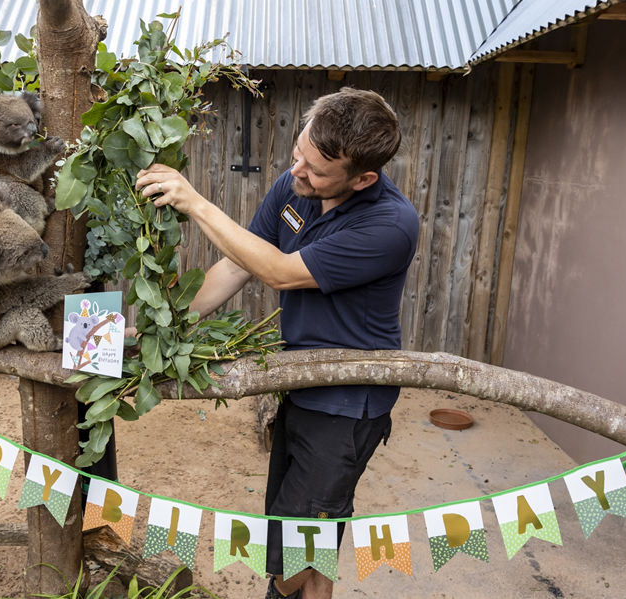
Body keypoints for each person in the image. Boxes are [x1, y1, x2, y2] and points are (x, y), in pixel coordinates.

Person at [135, 87, 419, 599]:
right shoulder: (296, 187)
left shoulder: (389, 225)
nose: (297, 173)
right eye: (298, 156)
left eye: (316, 170)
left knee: (298, 543)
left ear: (364, 178)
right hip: (299, 383)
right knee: (311, 529)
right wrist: (164, 327)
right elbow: (238, 263)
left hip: (348, 403)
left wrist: (195, 202)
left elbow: (281, 272)